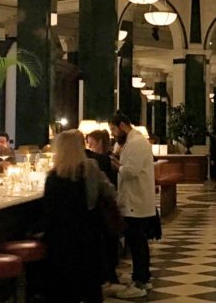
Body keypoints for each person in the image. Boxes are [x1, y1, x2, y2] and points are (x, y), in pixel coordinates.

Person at [42, 130, 118, 303]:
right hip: (90, 237)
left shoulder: (53, 177)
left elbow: (49, 211)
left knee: (65, 289)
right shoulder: (90, 169)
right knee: (92, 288)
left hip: (61, 242)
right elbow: (111, 192)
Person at [109, 113, 155, 299]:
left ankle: (140, 282)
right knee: (137, 242)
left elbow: (131, 171)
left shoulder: (136, 143)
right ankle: (142, 277)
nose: (113, 134)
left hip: (136, 201)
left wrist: (117, 166)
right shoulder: (132, 142)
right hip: (134, 200)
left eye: (113, 129)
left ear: (122, 125)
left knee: (137, 243)